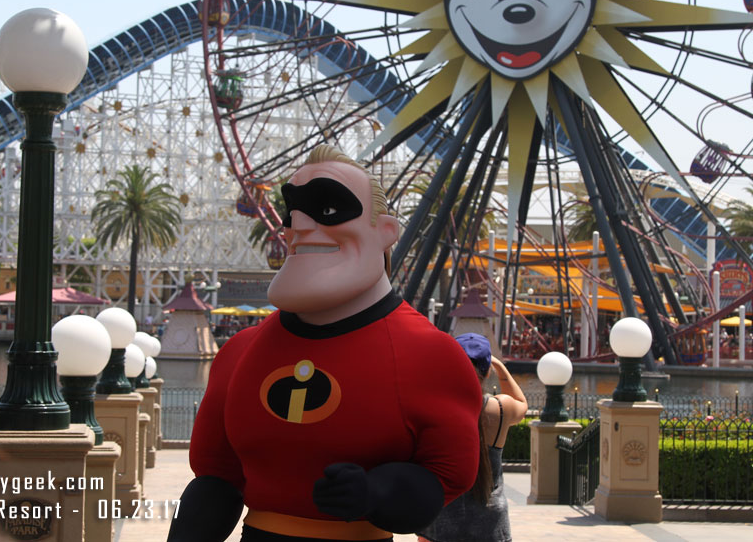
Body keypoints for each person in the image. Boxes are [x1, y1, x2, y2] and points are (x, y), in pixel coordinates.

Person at [169, 144, 482, 542]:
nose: (298, 225)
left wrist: (377, 492)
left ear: (385, 231)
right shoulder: (240, 352)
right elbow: (216, 479)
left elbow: (443, 476)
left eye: (328, 208)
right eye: (292, 210)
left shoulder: (429, 355)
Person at [418, 333, 528, 542]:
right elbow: (521, 403)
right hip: (491, 521)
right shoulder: (501, 409)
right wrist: (500, 367)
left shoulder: (434, 409)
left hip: (443, 517)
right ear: (486, 373)